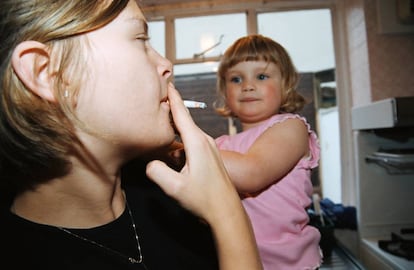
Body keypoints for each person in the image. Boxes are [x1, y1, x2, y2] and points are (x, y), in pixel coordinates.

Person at [0, 1, 263, 270]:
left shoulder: (167, 196)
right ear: (46, 74)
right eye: (140, 39)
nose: (166, 64)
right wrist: (228, 215)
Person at [214, 34, 323, 269]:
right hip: (238, 260)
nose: (247, 86)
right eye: (235, 79)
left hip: (289, 263)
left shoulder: (291, 127)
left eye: (261, 76)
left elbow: (251, 173)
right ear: (225, 91)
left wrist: (185, 149)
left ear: (285, 84)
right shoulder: (220, 147)